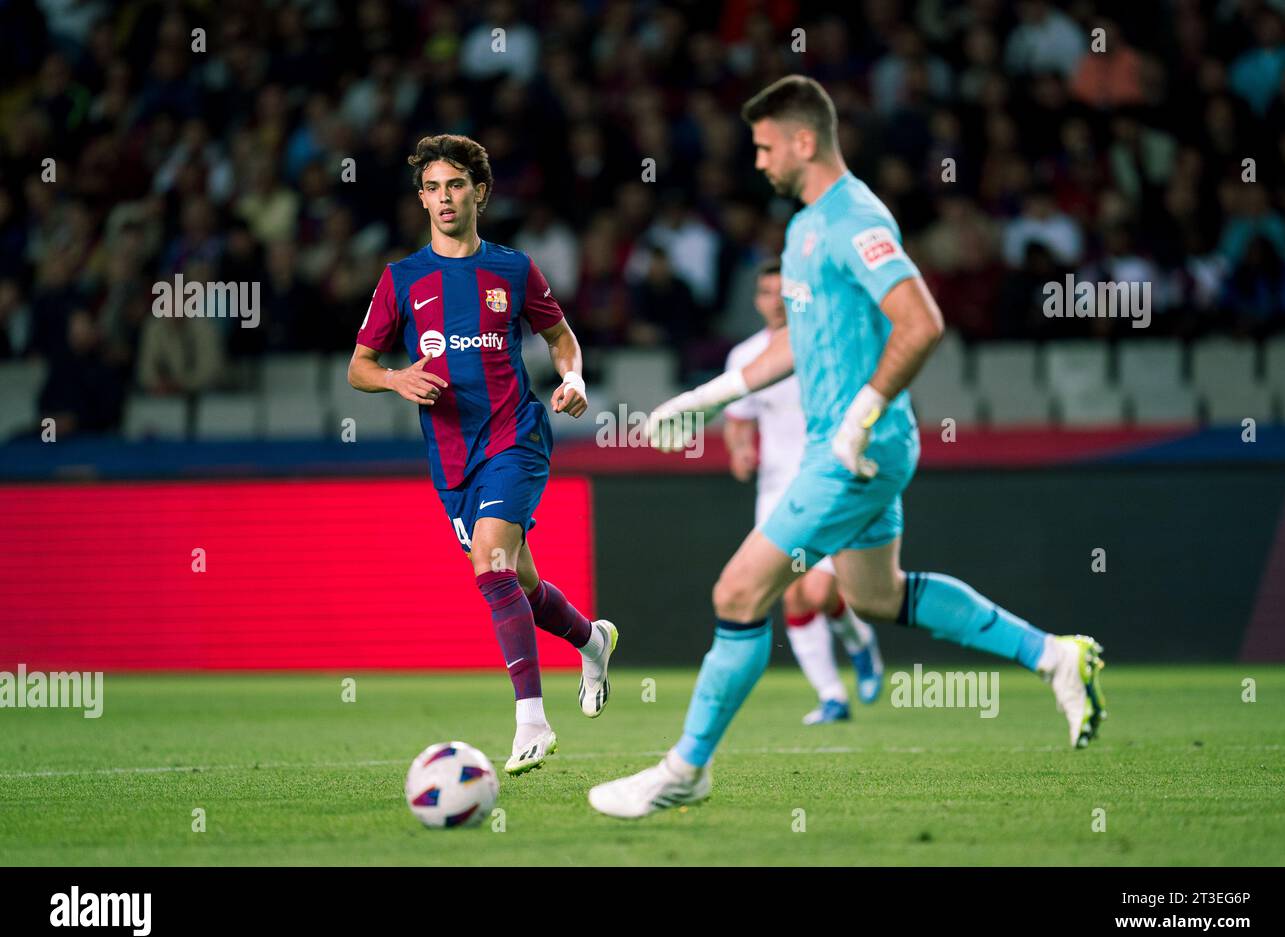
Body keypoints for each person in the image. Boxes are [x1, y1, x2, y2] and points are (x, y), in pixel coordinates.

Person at [589, 76, 1105, 819]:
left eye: (766, 146)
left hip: (854, 451)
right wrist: (711, 397)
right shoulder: (802, 230)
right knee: (876, 595)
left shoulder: (855, 217)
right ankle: (1057, 656)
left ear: (804, 141)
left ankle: (685, 769)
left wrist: (862, 417)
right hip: (850, 446)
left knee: (737, 592)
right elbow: (798, 340)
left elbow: (921, 321)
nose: (758, 161)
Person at [348, 134, 616, 776]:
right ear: (421, 198)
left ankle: (531, 722)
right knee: (518, 581)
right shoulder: (401, 279)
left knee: (491, 569)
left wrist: (572, 379)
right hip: (450, 460)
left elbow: (561, 339)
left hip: (515, 440)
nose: (445, 198)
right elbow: (359, 366)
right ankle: (591, 639)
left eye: (457, 186)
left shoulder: (514, 269)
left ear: (480, 194)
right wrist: (394, 379)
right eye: (434, 188)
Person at [723, 258, 884, 725]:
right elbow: (739, 420)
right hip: (778, 492)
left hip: (834, 484)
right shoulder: (745, 357)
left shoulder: (826, 346)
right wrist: (739, 452)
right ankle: (832, 696)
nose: (775, 302)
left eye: (783, 293)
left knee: (817, 589)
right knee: (792, 596)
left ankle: (859, 642)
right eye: (766, 293)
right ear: (757, 300)